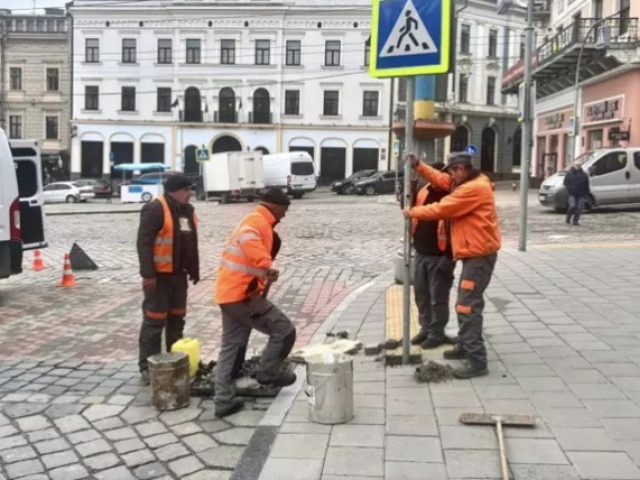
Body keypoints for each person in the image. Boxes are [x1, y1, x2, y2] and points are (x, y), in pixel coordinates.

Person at [403, 152, 501, 379]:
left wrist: (412, 212)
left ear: (460, 169)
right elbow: (439, 179)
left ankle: (477, 361)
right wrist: (418, 165)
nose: (449, 177)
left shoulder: (473, 189)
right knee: (463, 304)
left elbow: (443, 208)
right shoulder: (466, 182)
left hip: (479, 257)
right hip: (474, 254)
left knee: (467, 306)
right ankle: (465, 346)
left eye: (452, 172)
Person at [213, 187, 297, 418]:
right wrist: (266, 264)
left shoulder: (259, 220)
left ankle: (223, 401)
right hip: (243, 296)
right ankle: (268, 373)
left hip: (230, 294)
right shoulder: (257, 221)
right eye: (284, 210)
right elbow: (247, 238)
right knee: (285, 331)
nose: (284, 215)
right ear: (276, 206)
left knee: (231, 347)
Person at [136, 174, 200, 385]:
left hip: (179, 276)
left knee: (177, 319)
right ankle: (148, 367)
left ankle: (175, 362)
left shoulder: (187, 210)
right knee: (154, 321)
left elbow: (190, 242)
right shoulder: (155, 208)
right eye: (186, 190)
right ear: (174, 191)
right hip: (159, 277)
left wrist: (193, 270)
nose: (190, 193)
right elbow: (144, 243)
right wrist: (148, 275)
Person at [407, 162, 456, 350]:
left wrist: (448, 256)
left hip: (440, 255)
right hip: (421, 252)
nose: (429, 179)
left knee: (438, 298)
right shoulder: (424, 191)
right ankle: (426, 328)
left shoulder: (451, 195)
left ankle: (437, 332)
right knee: (421, 295)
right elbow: (413, 212)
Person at [563, 160, 590, 226]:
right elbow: (565, 183)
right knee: (572, 206)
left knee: (579, 208)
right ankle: (568, 218)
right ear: (574, 166)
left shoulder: (584, 175)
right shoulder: (569, 174)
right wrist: (570, 189)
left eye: (579, 165)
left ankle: (575, 221)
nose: (578, 166)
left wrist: (587, 193)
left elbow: (586, 184)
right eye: (576, 165)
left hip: (581, 194)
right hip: (572, 194)